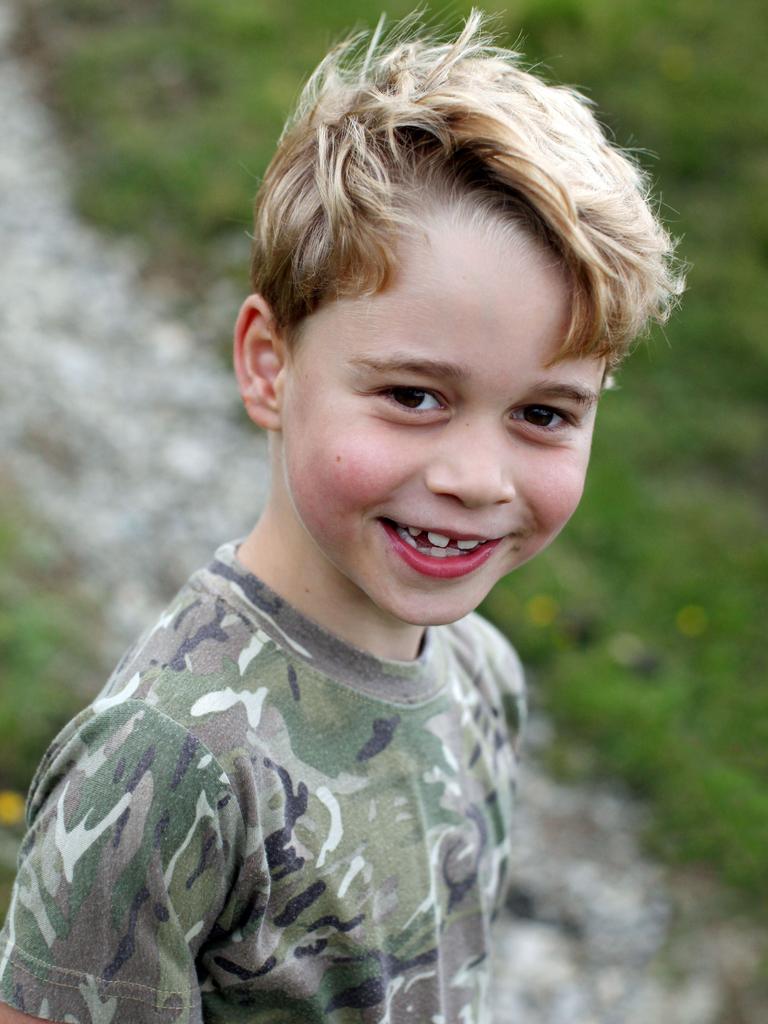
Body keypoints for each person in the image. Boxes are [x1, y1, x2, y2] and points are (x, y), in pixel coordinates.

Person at [0, 10, 682, 1023]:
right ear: (269, 364)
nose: (477, 477)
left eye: (543, 413)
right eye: (415, 395)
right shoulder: (168, 769)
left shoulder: (481, 675)